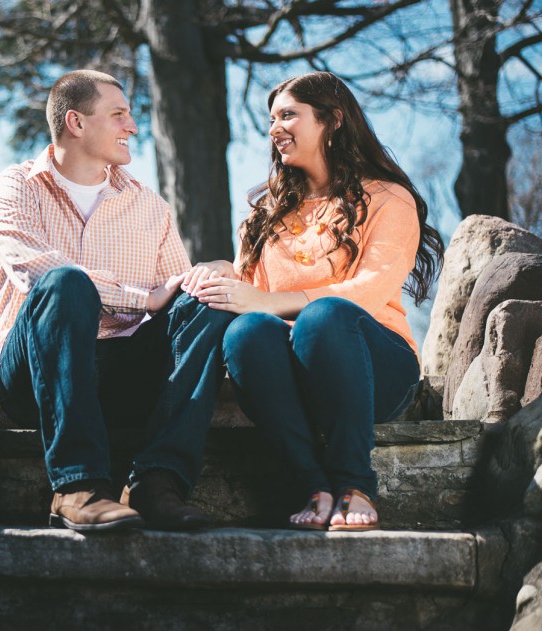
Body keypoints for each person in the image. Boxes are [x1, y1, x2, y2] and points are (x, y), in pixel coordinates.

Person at [187, 71, 444, 531]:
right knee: (246, 330)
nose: (274, 129)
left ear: (333, 120)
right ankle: (312, 485)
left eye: (288, 115)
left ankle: (355, 483)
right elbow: (250, 290)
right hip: (290, 380)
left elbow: (370, 289)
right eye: (271, 119)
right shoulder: (265, 212)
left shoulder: (388, 198)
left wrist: (273, 301)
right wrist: (218, 274)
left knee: (324, 315)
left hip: (372, 368)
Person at [0, 69, 233, 533]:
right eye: (119, 115)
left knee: (206, 303)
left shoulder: (149, 206)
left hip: (123, 377)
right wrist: (143, 297)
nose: (132, 127)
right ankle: (76, 487)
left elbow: (175, 295)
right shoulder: (16, 187)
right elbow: (34, 273)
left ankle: (157, 483)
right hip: (35, 377)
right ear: (76, 123)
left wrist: (211, 277)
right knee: (64, 284)